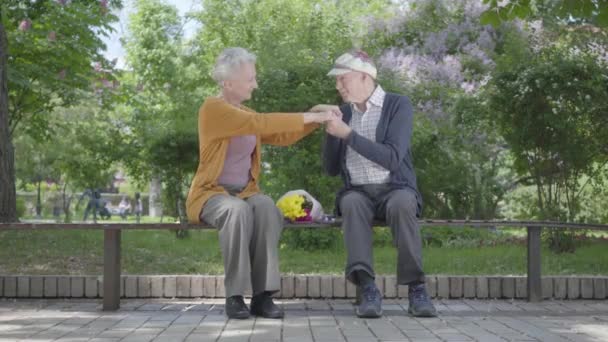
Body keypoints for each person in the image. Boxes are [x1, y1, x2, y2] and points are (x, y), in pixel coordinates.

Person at [186, 47, 332, 320]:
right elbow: (260, 122)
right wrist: (311, 116)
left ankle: (263, 297)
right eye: (250, 78)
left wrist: (314, 117)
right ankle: (235, 296)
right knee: (236, 210)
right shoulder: (213, 108)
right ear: (229, 83)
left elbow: (280, 135)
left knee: (267, 208)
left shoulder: (247, 113)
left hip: (245, 192)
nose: (256, 83)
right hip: (211, 194)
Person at [312, 50, 437, 318]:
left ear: (364, 77)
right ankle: (368, 288)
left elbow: (392, 158)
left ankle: (417, 289)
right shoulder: (344, 112)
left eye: (343, 79)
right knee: (351, 203)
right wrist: (333, 133)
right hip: (358, 191)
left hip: (396, 189)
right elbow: (331, 169)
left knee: (403, 204)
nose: (338, 86)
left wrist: (347, 134)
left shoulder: (397, 105)